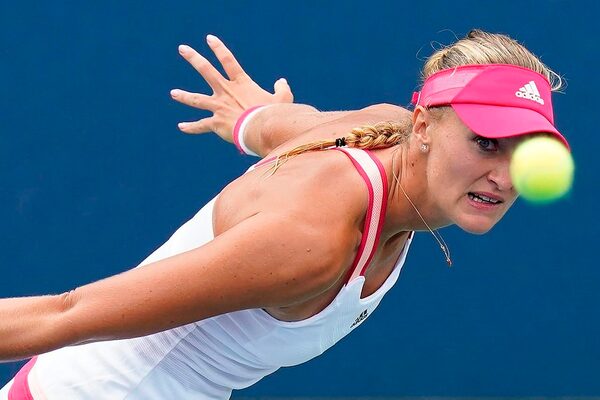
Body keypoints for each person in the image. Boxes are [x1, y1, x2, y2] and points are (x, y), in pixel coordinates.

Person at [0, 29, 568, 399]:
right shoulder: (312, 242)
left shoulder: (384, 130)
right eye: (486, 143)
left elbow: (277, 123)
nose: (504, 176)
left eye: (526, 152)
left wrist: (248, 120)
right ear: (424, 127)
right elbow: (65, 314)